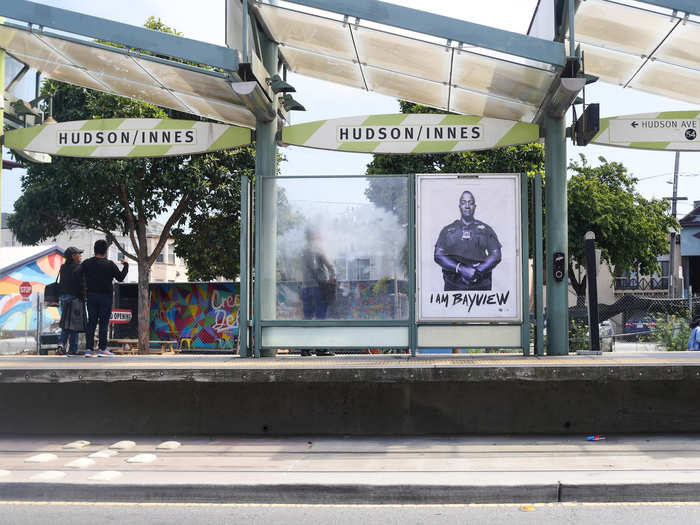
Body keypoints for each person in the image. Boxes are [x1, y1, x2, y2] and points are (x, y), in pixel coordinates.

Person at [434, 190, 502, 291]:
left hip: (481, 289)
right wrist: (461, 269)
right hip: (453, 287)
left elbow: (496, 254)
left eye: (470, 203)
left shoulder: (485, 229)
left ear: (475, 206)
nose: (467, 206)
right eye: (463, 202)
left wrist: (477, 271)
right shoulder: (448, 230)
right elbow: (438, 255)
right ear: (459, 206)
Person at [76, 239, 128, 357]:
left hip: (91, 296)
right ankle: (102, 349)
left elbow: (77, 274)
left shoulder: (87, 263)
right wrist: (126, 265)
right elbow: (120, 278)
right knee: (104, 324)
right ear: (105, 251)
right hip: (106, 297)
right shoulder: (109, 264)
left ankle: (88, 349)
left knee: (91, 323)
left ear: (94, 250)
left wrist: (84, 287)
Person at [300, 226, 336, 356]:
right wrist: (331, 277)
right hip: (318, 287)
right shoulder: (319, 248)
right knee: (321, 317)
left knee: (308, 318)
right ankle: (321, 349)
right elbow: (331, 267)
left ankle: (305, 349)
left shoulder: (303, 250)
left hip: (305, 288)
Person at [57, 246, 85, 356]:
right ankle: (71, 348)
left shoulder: (63, 268)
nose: (80, 256)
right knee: (74, 324)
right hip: (74, 299)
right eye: (79, 254)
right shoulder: (78, 267)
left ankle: (63, 345)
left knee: (66, 323)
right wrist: (83, 297)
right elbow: (81, 285)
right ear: (73, 256)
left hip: (63, 298)